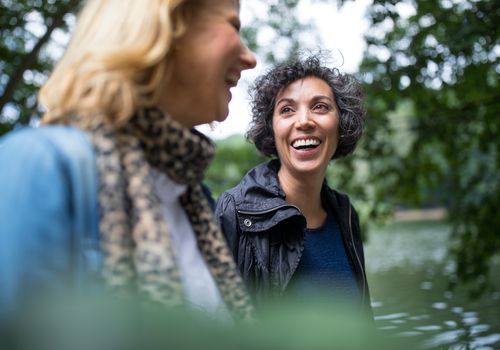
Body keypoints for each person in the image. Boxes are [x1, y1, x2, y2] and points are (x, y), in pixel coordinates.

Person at [0, 0, 256, 322]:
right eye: (233, 25)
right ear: (166, 24)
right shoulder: (40, 165)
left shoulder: (193, 201)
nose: (250, 58)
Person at [215, 55, 372, 315]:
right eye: (287, 110)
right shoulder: (236, 212)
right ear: (272, 129)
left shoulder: (345, 213)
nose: (304, 121)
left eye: (320, 107)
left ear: (341, 124)